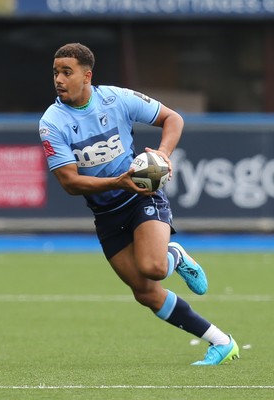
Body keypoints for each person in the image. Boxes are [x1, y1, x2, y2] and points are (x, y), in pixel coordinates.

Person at [39, 42, 239, 365]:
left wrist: (162, 154)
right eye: (55, 73)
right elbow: (70, 182)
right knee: (145, 292)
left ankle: (173, 255)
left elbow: (173, 119)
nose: (58, 79)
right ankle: (222, 342)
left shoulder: (116, 99)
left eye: (67, 72)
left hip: (141, 196)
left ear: (87, 76)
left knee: (153, 268)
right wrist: (116, 181)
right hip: (105, 213)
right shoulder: (52, 122)